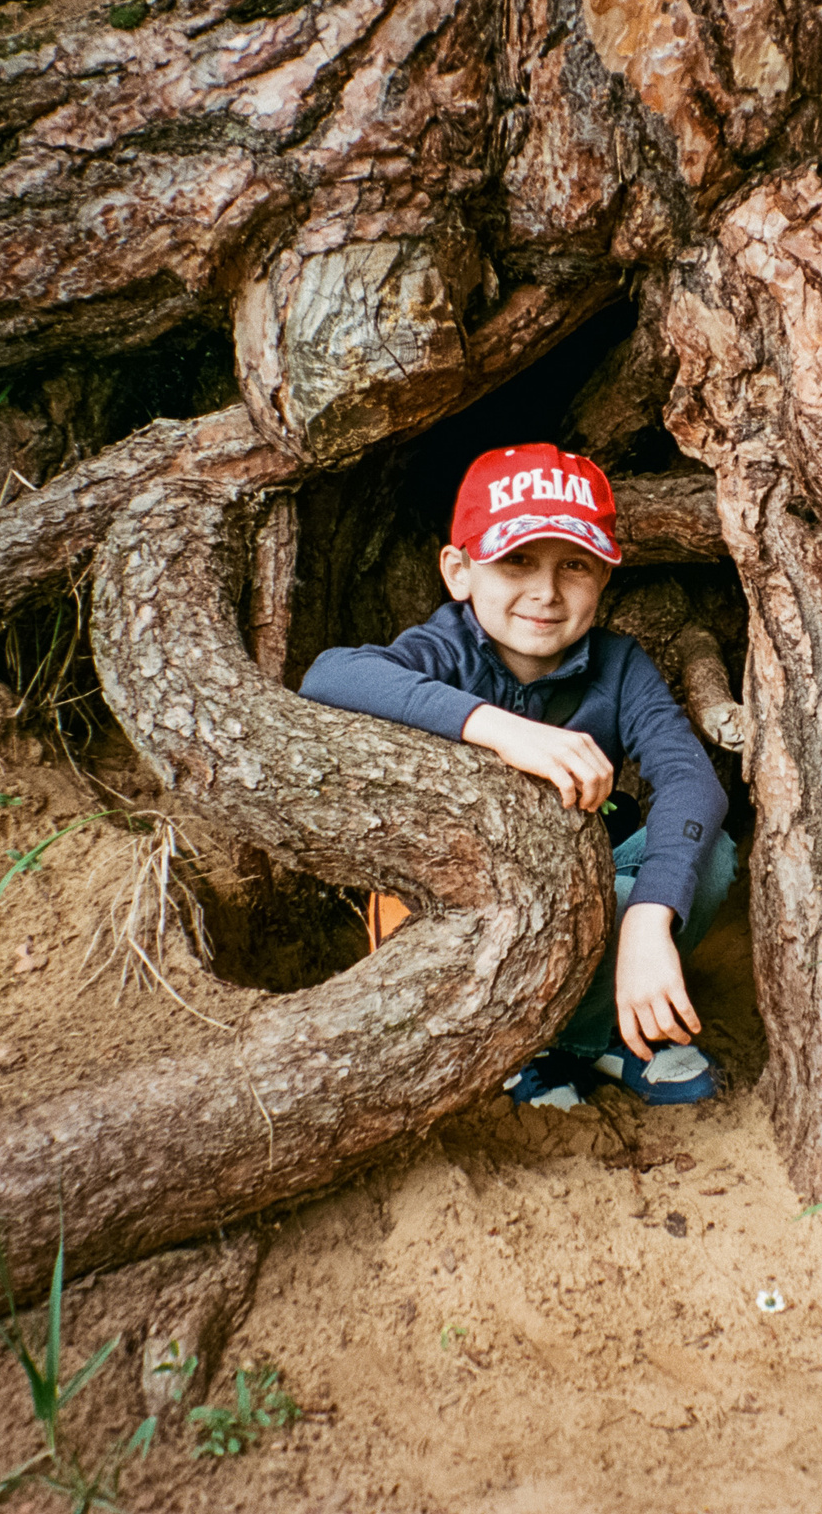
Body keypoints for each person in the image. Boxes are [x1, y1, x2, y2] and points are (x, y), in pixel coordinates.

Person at [299, 444, 737, 1109]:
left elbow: (690, 782)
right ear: (460, 570)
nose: (546, 591)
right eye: (516, 560)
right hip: (461, 909)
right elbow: (330, 675)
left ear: (604, 579)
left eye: (576, 565)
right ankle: (525, 1043)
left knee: (709, 858)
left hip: (572, 883)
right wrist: (503, 729)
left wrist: (649, 919)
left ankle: (587, 1036)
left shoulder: (617, 666)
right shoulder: (443, 649)